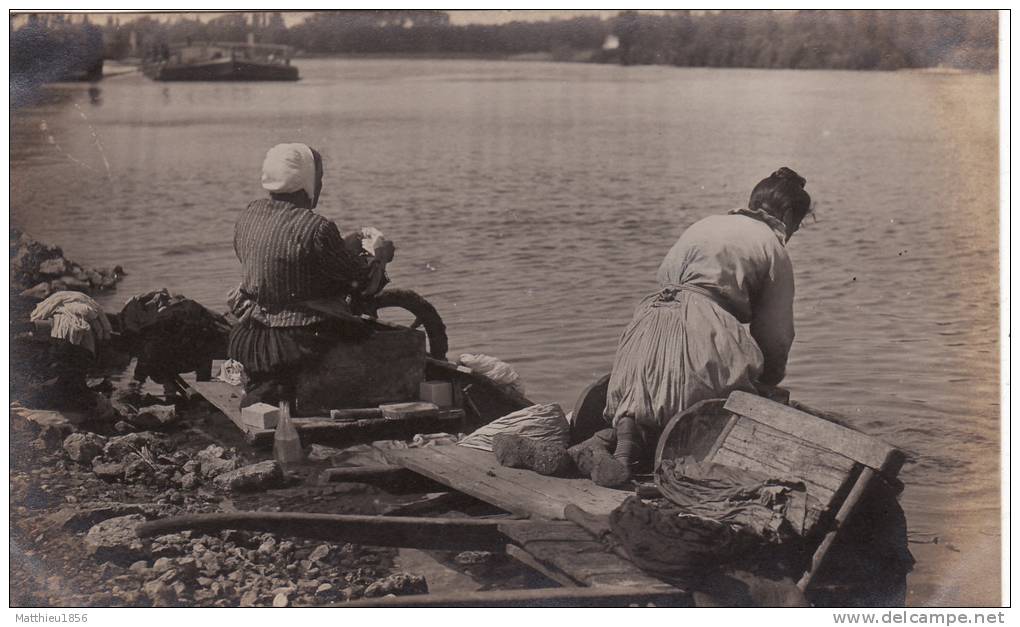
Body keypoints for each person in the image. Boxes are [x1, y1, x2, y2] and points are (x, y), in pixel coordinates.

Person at [591, 167, 812, 483]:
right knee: (727, 399)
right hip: (703, 330)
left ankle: (619, 442)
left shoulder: (706, 223)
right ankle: (631, 449)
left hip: (645, 329)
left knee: (643, 396)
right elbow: (777, 334)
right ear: (789, 214)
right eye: (797, 226)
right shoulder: (771, 246)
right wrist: (768, 382)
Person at [227, 143, 394, 410]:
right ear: (307, 181)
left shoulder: (250, 213)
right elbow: (362, 282)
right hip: (295, 342)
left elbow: (281, 261)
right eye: (320, 177)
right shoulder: (318, 228)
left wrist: (341, 245)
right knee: (362, 329)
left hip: (249, 337)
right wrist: (380, 256)